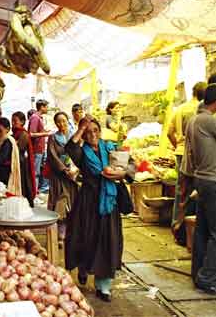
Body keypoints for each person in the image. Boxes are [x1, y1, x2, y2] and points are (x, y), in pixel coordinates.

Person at [65, 115, 135, 302]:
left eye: (95, 130)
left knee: (107, 241)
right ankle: (83, 267)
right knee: (86, 238)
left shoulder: (111, 148)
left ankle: (103, 286)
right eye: (88, 132)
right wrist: (81, 128)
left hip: (109, 201)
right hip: (88, 202)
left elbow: (130, 163)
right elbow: (70, 148)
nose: (92, 135)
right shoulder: (82, 153)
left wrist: (122, 173)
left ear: (100, 132)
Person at [185, 83, 216, 294]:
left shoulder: (194, 119)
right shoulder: (209, 120)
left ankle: (198, 272)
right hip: (212, 180)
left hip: (201, 179)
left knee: (202, 230)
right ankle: (207, 277)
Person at [168, 82, 208, 226]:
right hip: (197, 154)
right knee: (198, 190)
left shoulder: (180, 109)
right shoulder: (203, 112)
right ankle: (193, 227)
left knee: (181, 191)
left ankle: (177, 225)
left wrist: (177, 146)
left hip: (180, 152)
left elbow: (169, 132)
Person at [47, 112, 79, 243]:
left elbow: (79, 153)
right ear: (56, 123)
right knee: (61, 200)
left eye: (64, 121)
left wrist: (75, 169)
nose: (62, 124)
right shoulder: (53, 138)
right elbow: (52, 156)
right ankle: (61, 229)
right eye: (59, 122)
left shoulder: (74, 136)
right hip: (59, 175)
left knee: (73, 201)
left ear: (68, 121)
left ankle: (73, 229)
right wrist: (64, 169)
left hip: (74, 175)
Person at [11, 112, 36, 206]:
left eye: (15, 121)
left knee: (23, 185)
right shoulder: (15, 133)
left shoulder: (24, 134)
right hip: (17, 162)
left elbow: (18, 148)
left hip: (21, 163)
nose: (13, 123)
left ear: (22, 122)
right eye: (12, 121)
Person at [28, 99, 51, 194]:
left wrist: (45, 132)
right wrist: (45, 134)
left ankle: (37, 190)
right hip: (36, 149)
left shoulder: (39, 118)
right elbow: (31, 134)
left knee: (39, 171)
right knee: (35, 173)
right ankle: (34, 193)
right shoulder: (35, 117)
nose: (47, 108)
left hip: (40, 149)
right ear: (41, 107)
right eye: (46, 106)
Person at [0, 118, 21, 195]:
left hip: (5, 173)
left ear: (7, 129)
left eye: (0, 130)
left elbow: (1, 159)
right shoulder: (5, 140)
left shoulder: (8, 141)